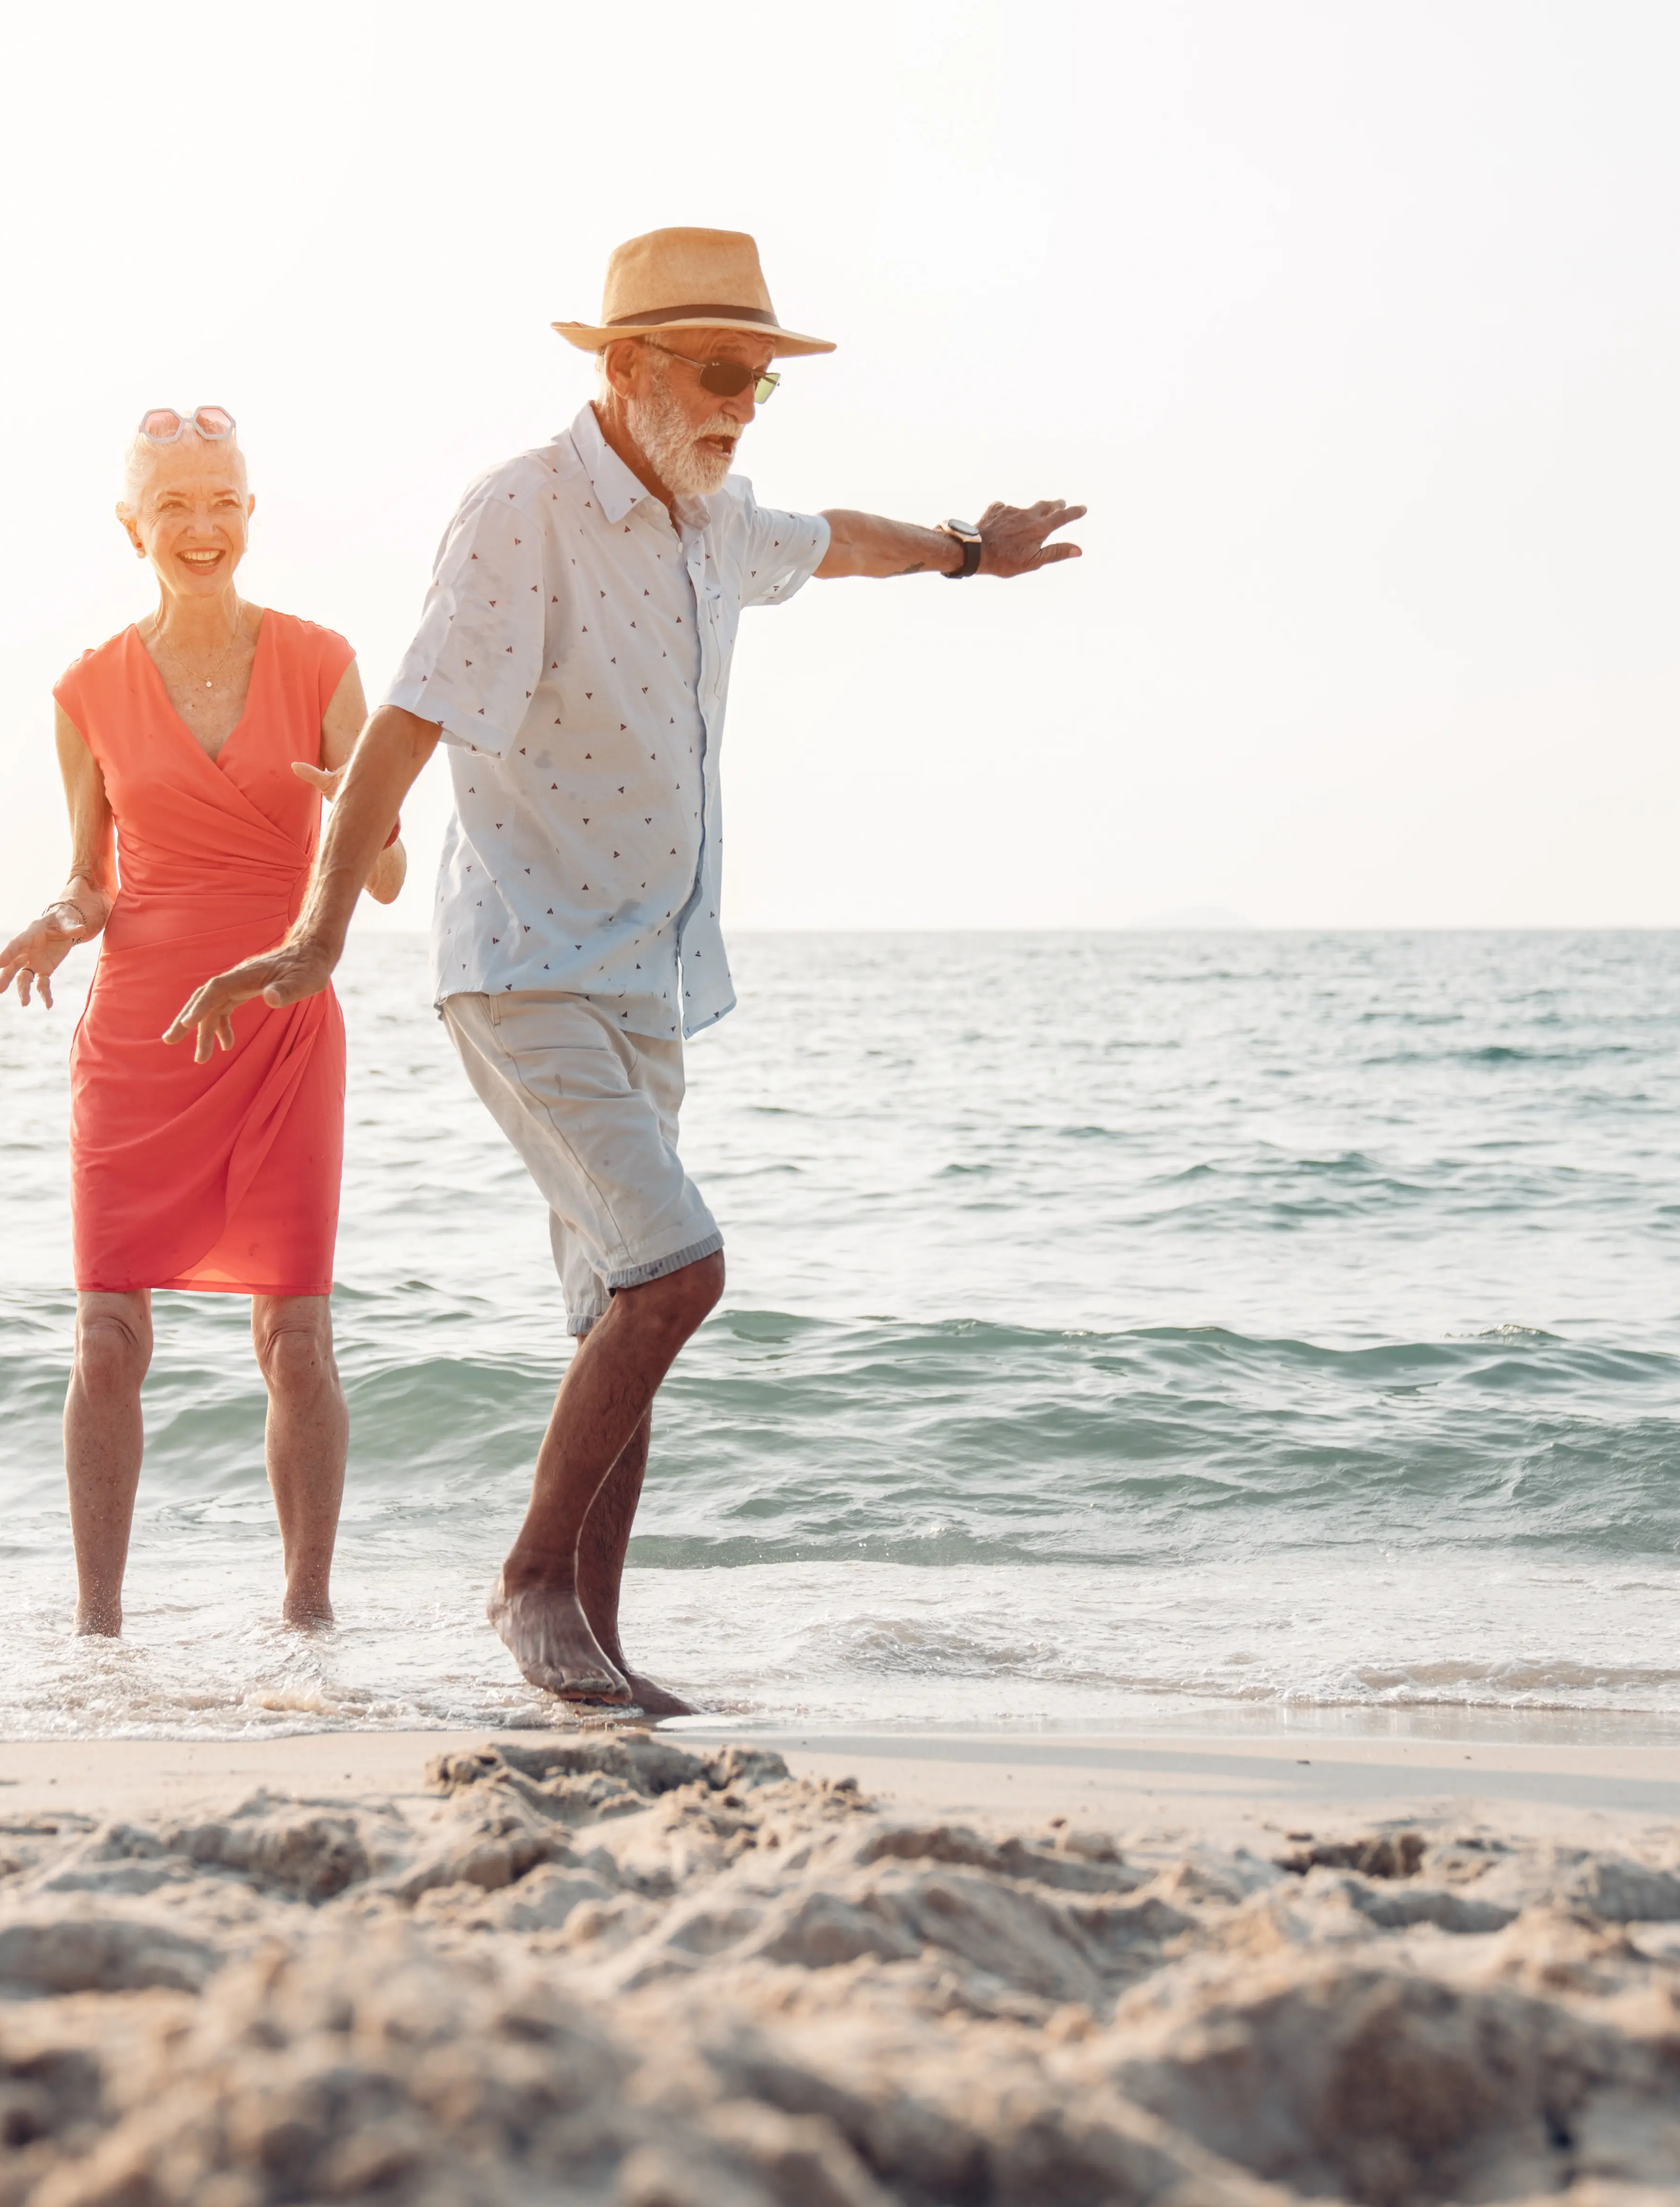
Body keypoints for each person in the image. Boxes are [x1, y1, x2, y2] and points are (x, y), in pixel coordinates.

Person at [167, 229, 1084, 1712]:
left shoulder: (713, 519)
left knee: (620, 1314)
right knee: (679, 1267)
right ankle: (531, 1582)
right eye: (720, 372)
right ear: (625, 369)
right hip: (524, 964)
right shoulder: (523, 511)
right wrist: (323, 929)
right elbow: (405, 722)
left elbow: (832, 538)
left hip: (648, 977)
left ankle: (587, 1645)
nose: (742, 403)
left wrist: (967, 549)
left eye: (760, 382)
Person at [0, 405, 405, 1636]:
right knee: (109, 1337)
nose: (201, 525)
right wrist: (59, 917)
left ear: (251, 513)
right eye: (173, 504)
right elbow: (90, 875)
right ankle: (98, 1636)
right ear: (133, 527)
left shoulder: (325, 664)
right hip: (138, 1042)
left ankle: (309, 1620)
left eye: (221, 499)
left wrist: (358, 810)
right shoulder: (86, 690)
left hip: (282, 1023)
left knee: (296, 1336)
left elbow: (380, 877)